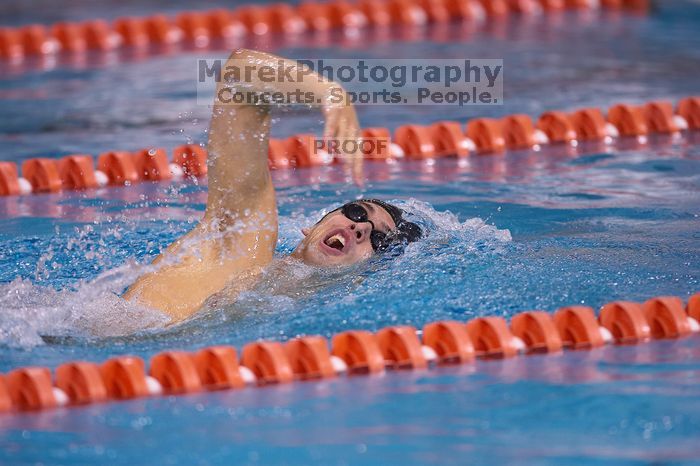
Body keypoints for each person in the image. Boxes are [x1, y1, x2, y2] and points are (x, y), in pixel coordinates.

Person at [124, 49, 422, 321]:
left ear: (363, 275)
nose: (362, 228)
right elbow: (239, 73)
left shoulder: (289, 317)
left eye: (378, 240)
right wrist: (331, 93)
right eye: (357, 212)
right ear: (311, 227)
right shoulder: (242, 242)